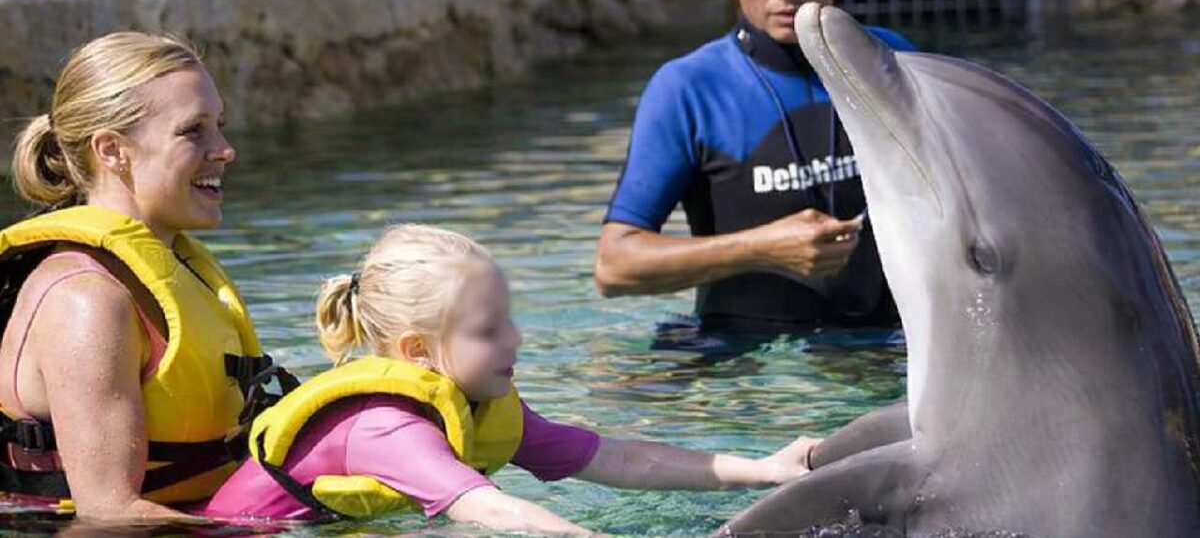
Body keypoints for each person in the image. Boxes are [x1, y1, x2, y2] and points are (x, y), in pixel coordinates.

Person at [200, 224, 820, 533]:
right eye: (489, 329)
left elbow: (622, 461)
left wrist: (766, 468)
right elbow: (487, 508)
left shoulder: (479, 404)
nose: (516, 340)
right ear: (419, 351)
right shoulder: (385, 427)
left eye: (509, 320)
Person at [594, 0, 917, 334]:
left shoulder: (890, 62)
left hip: (884, 345)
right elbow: (614, 266)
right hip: (746, 367)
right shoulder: (690, 89)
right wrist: (762, 248)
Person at [0, 32, 288, 520]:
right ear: (112, 150)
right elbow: (108, 517)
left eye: (219, 125)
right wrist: (280, 526)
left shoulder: (173, 268)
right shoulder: (87, 301)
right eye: (193, 130)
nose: (225, 150)